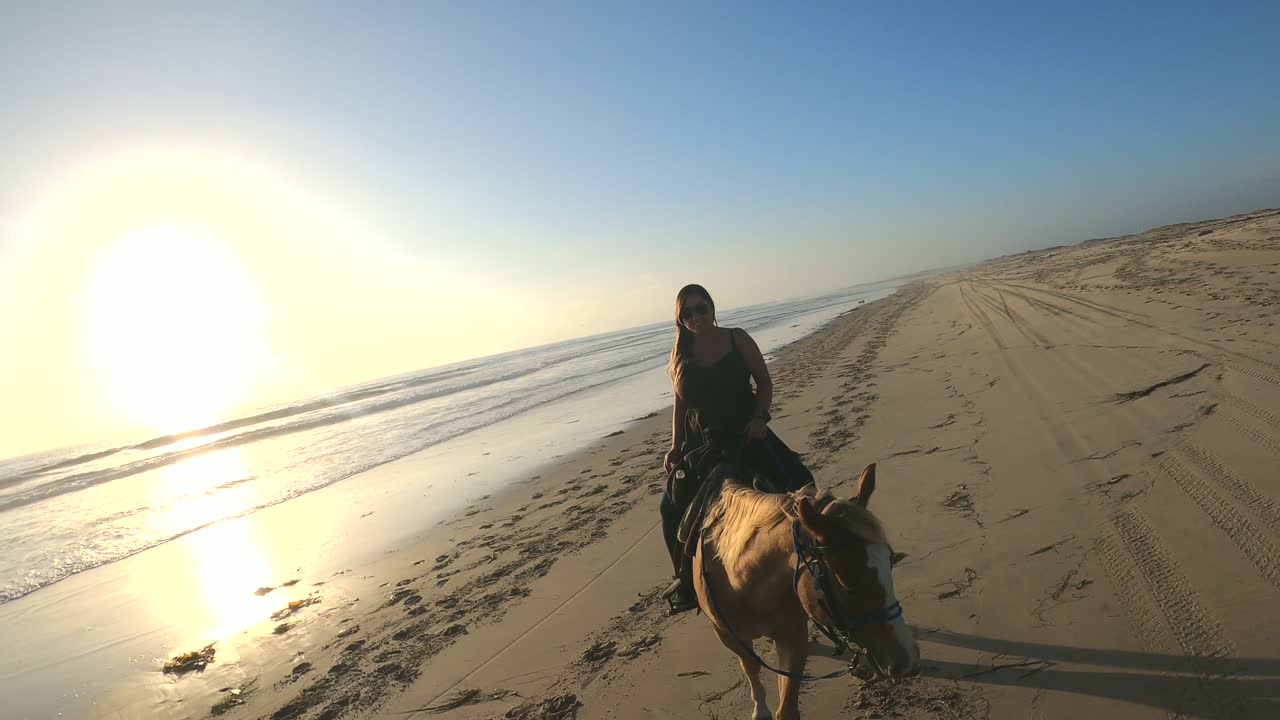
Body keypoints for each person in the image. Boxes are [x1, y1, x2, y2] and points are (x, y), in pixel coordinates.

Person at [659, 283, 815, 614]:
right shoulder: (679, 354)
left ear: (712, 308)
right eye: (687, 312)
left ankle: (816, 561)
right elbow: (680, 403)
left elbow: (765, 382)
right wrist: (674, 447)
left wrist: (760, 418)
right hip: (701, 444)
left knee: (801, 485)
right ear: (680, 318)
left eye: (700, 308)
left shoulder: (736, 338)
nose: (695, 317)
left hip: (747, 433)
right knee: (670, 507)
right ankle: (685, 582)